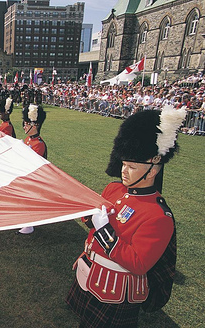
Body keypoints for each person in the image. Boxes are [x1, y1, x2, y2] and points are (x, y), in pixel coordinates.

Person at [66, 105, 187, 328]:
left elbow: (139, 263)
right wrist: (87, 254)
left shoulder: (159, 216)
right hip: (92, 273)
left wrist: (104, 232)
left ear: (153, 168)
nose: (123, 171)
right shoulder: (114, 189)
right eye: (123, 164)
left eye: (131, 166)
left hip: (115, 292)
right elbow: (94, 228)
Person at [17, 103, 47, 235]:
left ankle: (29, 225)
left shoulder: (39, 144)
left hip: (34, 177)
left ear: (35, 125)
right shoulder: (29, 139)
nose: (24, 126)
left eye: (27, 124)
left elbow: (34, 163)